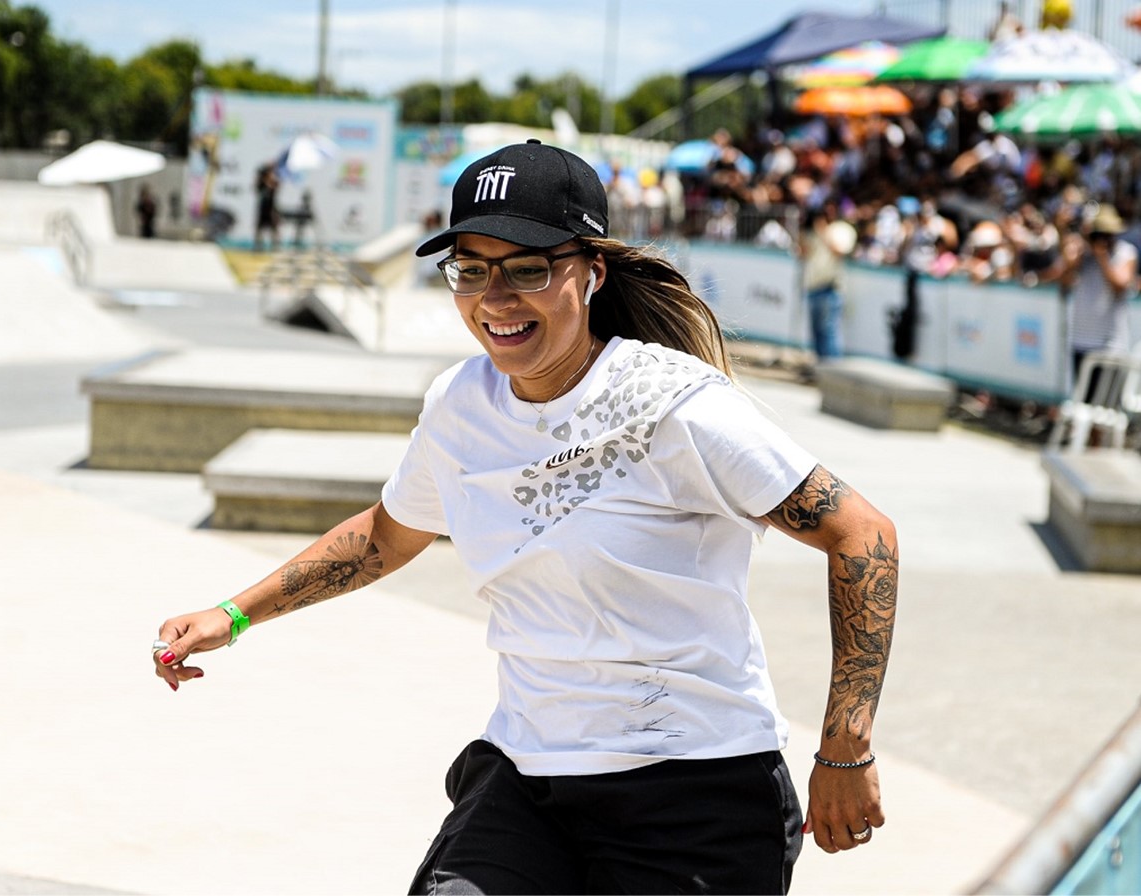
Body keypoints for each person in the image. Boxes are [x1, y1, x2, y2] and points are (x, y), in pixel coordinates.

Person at [152, 140, 899, 895]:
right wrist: (233, 614)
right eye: (470, 270)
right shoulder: (460, 404)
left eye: (528, 268)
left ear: (592, 272)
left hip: (698, 792)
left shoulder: (675, 405)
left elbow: (862, 535)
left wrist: (846, 744)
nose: (495, 298)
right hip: (529, 778)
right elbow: (385, 536)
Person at [1058, 203, 1137, 392]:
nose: (1103, 240)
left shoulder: (1125, 252)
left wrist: (1102, 258)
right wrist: (1072, 254)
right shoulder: (1082, 253)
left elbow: (1119, 287)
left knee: (1103, 407)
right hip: (1080, 340)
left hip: (1109, 344)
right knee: (1083, 403)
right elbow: (1065, 281)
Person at [798, 202, 854, 364]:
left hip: (830, 288)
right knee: (816, 332)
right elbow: (802, 252)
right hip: (813, 286)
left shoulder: (842, 229)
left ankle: (833, 368)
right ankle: (820, 369)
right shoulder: (814, 231)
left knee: (829, 331)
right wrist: (803, 229)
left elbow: (839, 251)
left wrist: (823, 231)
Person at [254, 163, 280, 252]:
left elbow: (276, 186)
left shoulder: (274, 182)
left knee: (274, 230)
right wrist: (263, 179)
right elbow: (256, 188)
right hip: (263, 209)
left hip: (271, 209)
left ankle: (275, 248)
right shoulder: (261, 183)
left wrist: (270, 179)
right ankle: (258, 247)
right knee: (259, 229)